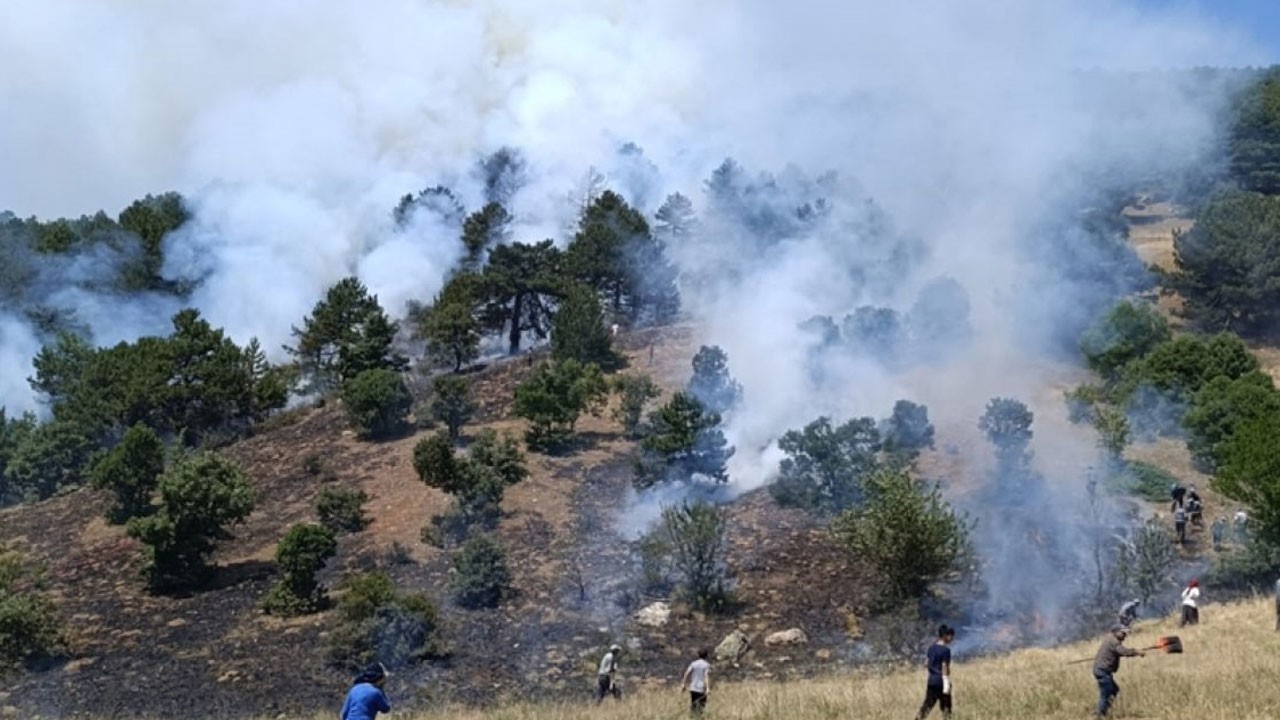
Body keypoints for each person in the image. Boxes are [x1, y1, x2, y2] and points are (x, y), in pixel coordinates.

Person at [1092, 624, 1144, 718]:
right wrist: (1136, 652)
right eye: (1123, 633)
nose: (1125, 636)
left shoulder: (1110, 639)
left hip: (1102, 670)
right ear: (1116, 632)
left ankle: (1103, 711)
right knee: (1106, 693)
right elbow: (1123, 652)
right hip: (1102, 671)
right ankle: (1099, 714)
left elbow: (1118, 652)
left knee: (1114, 690)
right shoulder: (1114, 642)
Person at [915, 624, 955, 720]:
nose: (952, 638)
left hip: (932, 681)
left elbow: (926, 663)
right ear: (945, 636)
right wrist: (946, 681)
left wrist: (933, 669)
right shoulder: (946, 650)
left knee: (927, 706)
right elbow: (944, 666)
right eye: (950, 635)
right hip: (941, 681)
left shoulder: (931, 648)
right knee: (946, 708)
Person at [681, 648, 712, 716]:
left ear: (698, 655)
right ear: (706, 656)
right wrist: (708, 688)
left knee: (693, 704)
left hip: (693, 688)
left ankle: (692, 716)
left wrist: (684, 684)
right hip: (701, 689)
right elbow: (706, 676)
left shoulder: (694, 663)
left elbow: (687, 673)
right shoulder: (706, 665)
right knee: (701, 706)